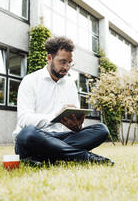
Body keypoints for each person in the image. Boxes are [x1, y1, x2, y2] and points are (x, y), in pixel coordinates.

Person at [12, 36, 114, 166]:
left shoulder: (70, 84)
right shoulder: (30, 81)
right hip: (36, 137)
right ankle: (84, 157)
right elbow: (24, 119)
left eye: (69, 62)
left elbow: (76, 122)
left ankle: (45, 156)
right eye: (62, 62)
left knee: (102, 130)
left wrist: (77, 126)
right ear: (49, 58)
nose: (67, 67)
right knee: (27, 133)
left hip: (61, 138)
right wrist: (55, 116)